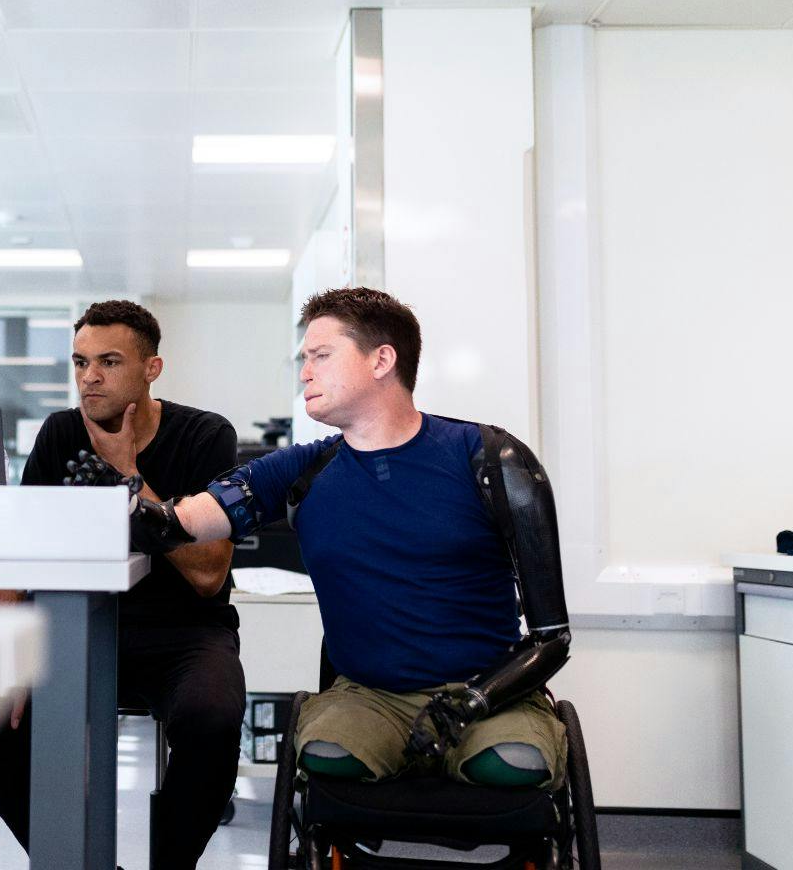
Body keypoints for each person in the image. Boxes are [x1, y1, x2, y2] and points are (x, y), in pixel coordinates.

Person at [111, 287, 572, 791]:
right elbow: (183, 521)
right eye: (304, 359)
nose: (305, 371)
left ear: (382, 360)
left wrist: (476, 701)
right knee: (327, 757)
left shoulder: (491, 460)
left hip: (490, 695)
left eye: (321, 356)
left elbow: (553, 638)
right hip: (370, 698)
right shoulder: (301, 469)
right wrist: (131, 503)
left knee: (511, 766)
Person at [0, 300, 246, 870]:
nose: (90, 376)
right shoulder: (62, 432)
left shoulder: (204, 435)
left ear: (152, 368)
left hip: (184, 634)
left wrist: (128, 478)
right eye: (81, 361)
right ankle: (79, 861)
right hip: (77, 627)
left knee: (212, 716)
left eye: (109, 361)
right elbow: (18, 551)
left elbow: (209, 573)